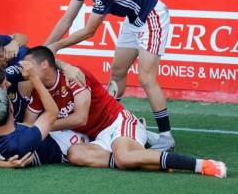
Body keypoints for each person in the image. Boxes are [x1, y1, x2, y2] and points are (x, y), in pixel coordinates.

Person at [24, 46, 226, 178]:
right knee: (75, 153)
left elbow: (80, 117)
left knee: (123, 157)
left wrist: (44, 126)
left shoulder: (74, 75)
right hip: (98, 137)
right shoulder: (37, 91)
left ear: (44, 65)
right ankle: (143, 158)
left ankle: (201, 165)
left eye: (29, 65)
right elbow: (28, 125)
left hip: (116, 122)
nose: (25, 69)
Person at [45, 0, 175, 151]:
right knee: (117, 71)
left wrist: (57, 46)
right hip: (134, 20)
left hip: (152, 16)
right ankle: (112, 122)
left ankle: (166, 137)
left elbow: (89, 31)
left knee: (146, 77)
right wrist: (45, 48)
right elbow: (66, 20)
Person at [0, 61, 82, 167]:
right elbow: (52, 112)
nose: (8, 84)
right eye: (4, 85)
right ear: (11, 108)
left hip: (42, 133)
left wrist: (8, 165)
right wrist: (34, 78)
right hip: (62, 146)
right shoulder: (24, 140)